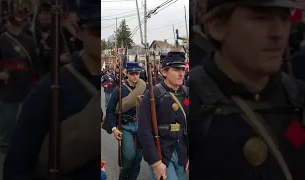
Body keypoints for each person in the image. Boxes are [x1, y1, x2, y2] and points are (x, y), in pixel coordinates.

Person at [190, 0, 305, 179]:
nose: (279, 32)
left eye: (284, 18)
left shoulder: (298, 97)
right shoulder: (193, 103)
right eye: (261, 18)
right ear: (217, 27)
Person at [3, 1, 101, 179]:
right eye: (98, 32)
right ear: (79, 31)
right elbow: (17, 166)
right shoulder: (50, 88)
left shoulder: (126, 84)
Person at [0, 14, 42, 154]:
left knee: (28, 117)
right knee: (8, 120)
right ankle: (6, 144)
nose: (17, 25)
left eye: (19, 22)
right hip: (8, 85)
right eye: (13, 22)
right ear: (7, 24)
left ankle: (26, 142)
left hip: (27, 84)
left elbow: (37, 64)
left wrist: (40, 83)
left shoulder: (30, 41)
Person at [138, 52, 189, 180]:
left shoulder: (187, 93)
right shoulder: (152, 94)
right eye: (176, 69)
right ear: (165, 72)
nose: (181, 73)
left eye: (183, 69)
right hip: (162, 152)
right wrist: (155, 162)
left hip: (182, 150)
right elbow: (144, 130)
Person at [106, 62, 147, 180]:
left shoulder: (144, 87)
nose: (135, 76)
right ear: (126, 73)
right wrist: (114, 129)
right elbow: (110, 110)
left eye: (137, 73)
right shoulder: (119, 89)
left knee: (138, 158)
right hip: (126, 126)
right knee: (129, 156)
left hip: (140, 125)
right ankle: (123, 177)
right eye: (132, 73)